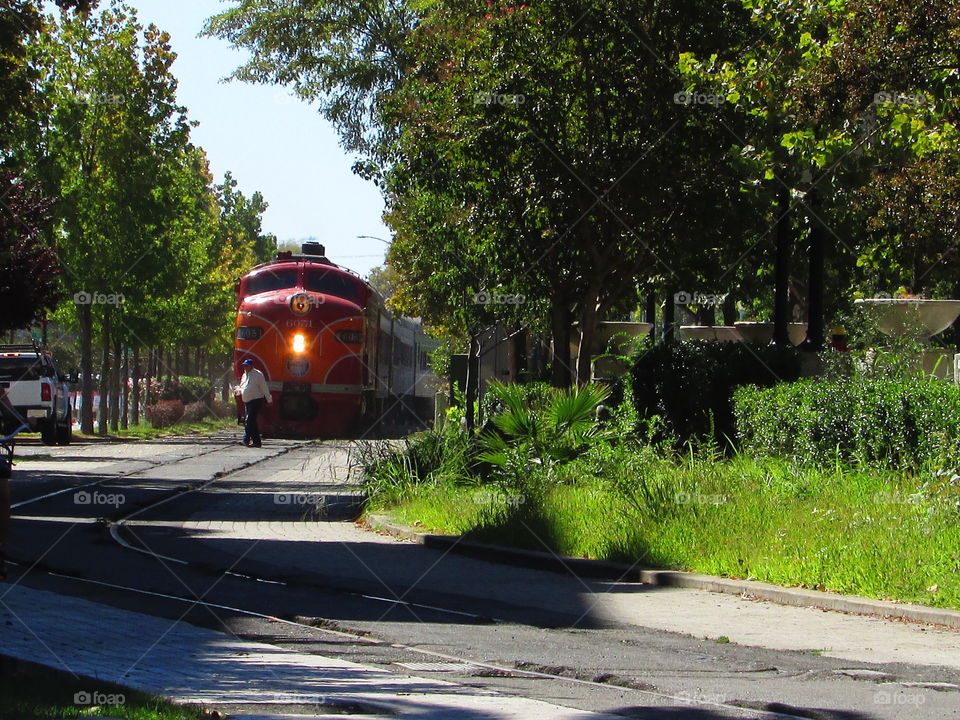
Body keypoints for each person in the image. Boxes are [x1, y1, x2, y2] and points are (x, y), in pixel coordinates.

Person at [234, 359, 272, 447]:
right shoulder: (244, 375)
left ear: (251, 366)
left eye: (247, 366)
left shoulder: (258, 374)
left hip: (256, 400)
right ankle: (256, 442)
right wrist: (238, 390)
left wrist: (269, 399)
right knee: (252, 422)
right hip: (247, 401)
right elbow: (242, 386)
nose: (245, 367)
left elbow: (264, 387)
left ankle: (246, 440)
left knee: (249, 420)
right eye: (244, 366)